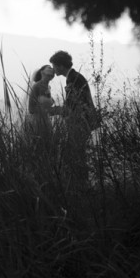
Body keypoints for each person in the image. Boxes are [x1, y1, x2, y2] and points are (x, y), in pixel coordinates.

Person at [49, 50, 98, 185]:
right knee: (78, 152)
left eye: (54, 66)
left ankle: (81, 183)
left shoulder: (73, 78)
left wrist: (55, 111)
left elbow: (72, 104)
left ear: (60, 66)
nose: (53, 69)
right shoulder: (75, 76)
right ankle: (82, 182)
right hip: (83, 120)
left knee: (77, 153)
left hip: (80, 121)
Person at [23, 64, 56, 149]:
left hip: (46, 121)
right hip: (37, 122)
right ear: (42, 72)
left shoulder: (48, 87)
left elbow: (48, 104)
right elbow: (31, 109)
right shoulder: (36, 86)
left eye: (52, 69)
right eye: (49, 68)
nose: (52, 69)